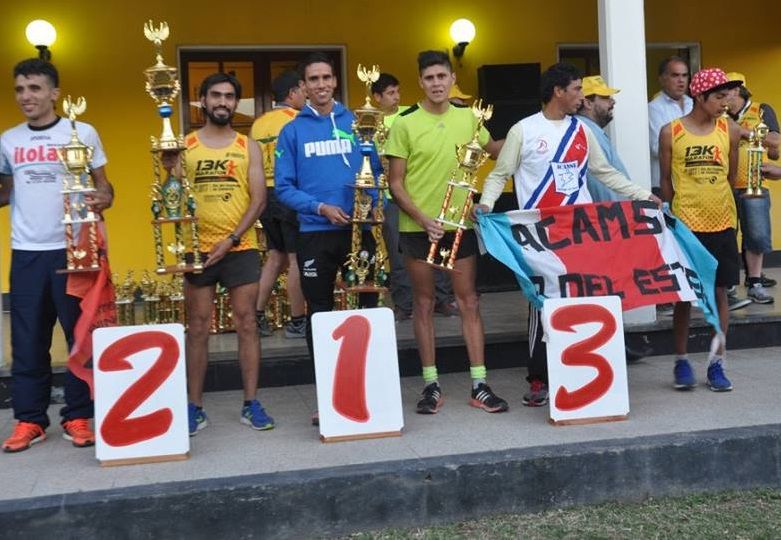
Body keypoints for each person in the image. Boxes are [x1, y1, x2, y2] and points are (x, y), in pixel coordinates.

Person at [478, 63, 659, 407]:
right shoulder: (523, 130)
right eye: (576, 89)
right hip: (540, 234)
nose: (581, 96)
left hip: (581, 231)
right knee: (543, 302)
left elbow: (604, 172)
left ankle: (584, 371)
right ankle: (539, 378)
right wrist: (487, 204)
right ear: (557, 92)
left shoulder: (582, 130)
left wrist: (641, 195)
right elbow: (499, 174)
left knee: (585, 296)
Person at [0, 58, 114, 452]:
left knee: (79, 338)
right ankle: (30, 420)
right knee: (28, 340)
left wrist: (104, 198)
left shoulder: (82, 132)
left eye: (34, 88)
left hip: (75, 251)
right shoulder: (8, 140)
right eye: (20, 89)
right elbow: (5, 192)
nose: (26, 96)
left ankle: (78, 416)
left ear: (54, 93)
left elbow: (106, 189)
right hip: (27, 252)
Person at [385, 50, 508, 415]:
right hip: (417, 227)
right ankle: (431, 384)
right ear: (420, 82)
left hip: (460, 225)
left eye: (442, 76)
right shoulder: (404, 123)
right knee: (424, 304)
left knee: (468, 301)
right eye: (429, 78)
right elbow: (395, 183)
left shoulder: (470, 118)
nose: (436, 83)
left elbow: (494, 150)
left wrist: (532, 133)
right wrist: (423, 219)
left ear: (453, 79)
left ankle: (479, 384)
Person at [275, 53, 381, 424]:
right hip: (314, 234)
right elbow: (283, 188)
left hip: (360, 233)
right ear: (303, 86)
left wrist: (373, 205)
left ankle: (370, 390)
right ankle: (329, 395)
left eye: (326, 77)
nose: (321, 84)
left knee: (368, 310)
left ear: (335, 81)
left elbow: (377, 174)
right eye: (313, 79)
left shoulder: (359, 122)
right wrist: (319, 207)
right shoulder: (292, 132)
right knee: (320, 315)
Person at [178, 72, 272, 435]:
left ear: (236, 103)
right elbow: (171, 197)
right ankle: (194, 406)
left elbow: (259, 200)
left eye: (229, 96)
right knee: (198, 327)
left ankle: (251, 404)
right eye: (215, 95)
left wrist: (230, 240)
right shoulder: (184, 145)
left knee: (247, 323)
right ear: (202, 100)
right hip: (197, 249)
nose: (222, 102)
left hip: (239, 247)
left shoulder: (248, 146)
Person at [659, 67, 742, 392]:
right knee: (684, 295)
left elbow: (730, 177)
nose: (725, 103)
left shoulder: (729, 129)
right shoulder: (671, 132)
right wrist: (673, 219)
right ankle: (681, 360)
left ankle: (717, 363)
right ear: (701, 96)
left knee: (720, 291)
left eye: (727, 97)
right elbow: (666, 180)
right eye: (719, 97)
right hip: (686, 227)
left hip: (722, 223)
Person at [371, 72, 457, 321]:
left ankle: (442, 299)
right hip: (391, 197)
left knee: (437, 247)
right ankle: (404, 304)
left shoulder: (410, 115)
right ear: (376, 97)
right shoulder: (368, 122)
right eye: (390, 93)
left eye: (397, 91)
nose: (396, 97)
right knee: (398, 253)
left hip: (423, 195)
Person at [250, 70, 307, 337]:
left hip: (265, 194)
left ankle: (255, 315)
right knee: (296, 259)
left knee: (275, 256)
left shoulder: (258, 123)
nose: (306, 96)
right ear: (292, 93)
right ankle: (297, 320)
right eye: (303, 91)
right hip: (290, 192)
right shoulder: (298, 119)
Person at [725, 72, 780, 304]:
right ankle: (728, 283)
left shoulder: (761, 110)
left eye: (726, 92)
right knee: (726, 235)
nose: (722, 97)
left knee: (756, 234)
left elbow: (775, 141)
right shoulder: (719, 114)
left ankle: (755, 283)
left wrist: (743, 133)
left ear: (737, 91)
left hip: (754, 181)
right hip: (724, 184)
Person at [649, 56, 693, 194]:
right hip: (664, 184)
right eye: (675, 75)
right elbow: (657, 148)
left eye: (684, 75)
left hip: (692, 183)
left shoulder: (693, 104)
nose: (681, 80)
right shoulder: (653, 108)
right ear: (662, 79)